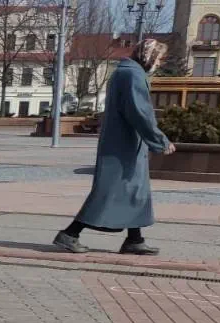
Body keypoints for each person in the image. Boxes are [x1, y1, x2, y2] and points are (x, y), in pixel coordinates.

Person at [55, 38, 175, 256]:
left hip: (124, 144)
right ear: (148, 56)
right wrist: (160, 141)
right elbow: (139, 112)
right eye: (159, 59)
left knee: (133, 192)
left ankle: (135, 240)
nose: (159, 64)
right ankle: (70, 234)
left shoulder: (127, 72)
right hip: (123, 146)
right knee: (109, 192)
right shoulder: (133, 75)